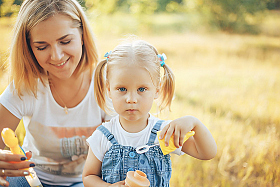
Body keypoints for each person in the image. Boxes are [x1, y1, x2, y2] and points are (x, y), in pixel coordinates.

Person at [0, 0, 112, 186]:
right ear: (29, 48)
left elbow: (123, 148)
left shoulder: (106, 83)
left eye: (65, 41)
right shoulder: (26, 86)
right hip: (30, 176)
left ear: (82, 35)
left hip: (87, 180)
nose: (57, 56)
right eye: (42, 47)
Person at [82, 39, 217, 187]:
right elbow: (89, 176)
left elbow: (207, 153)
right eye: (122, 89)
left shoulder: (165, 133)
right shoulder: (103, 135)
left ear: (157, 90)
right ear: (109, 89)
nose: (131, 99)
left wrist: (194, 123)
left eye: (141, 89)